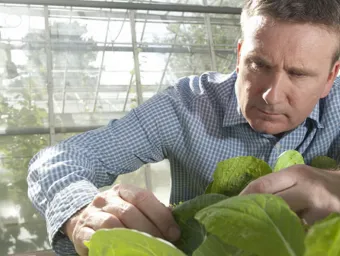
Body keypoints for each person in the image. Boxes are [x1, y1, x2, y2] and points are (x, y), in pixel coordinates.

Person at [27, 0, 340, 255]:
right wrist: (80, 211)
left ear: (330, 77)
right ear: (239, 55)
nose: (271, 95)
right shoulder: (187, 105)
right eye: (259, 64)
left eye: (298, 74)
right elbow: (58, 160)